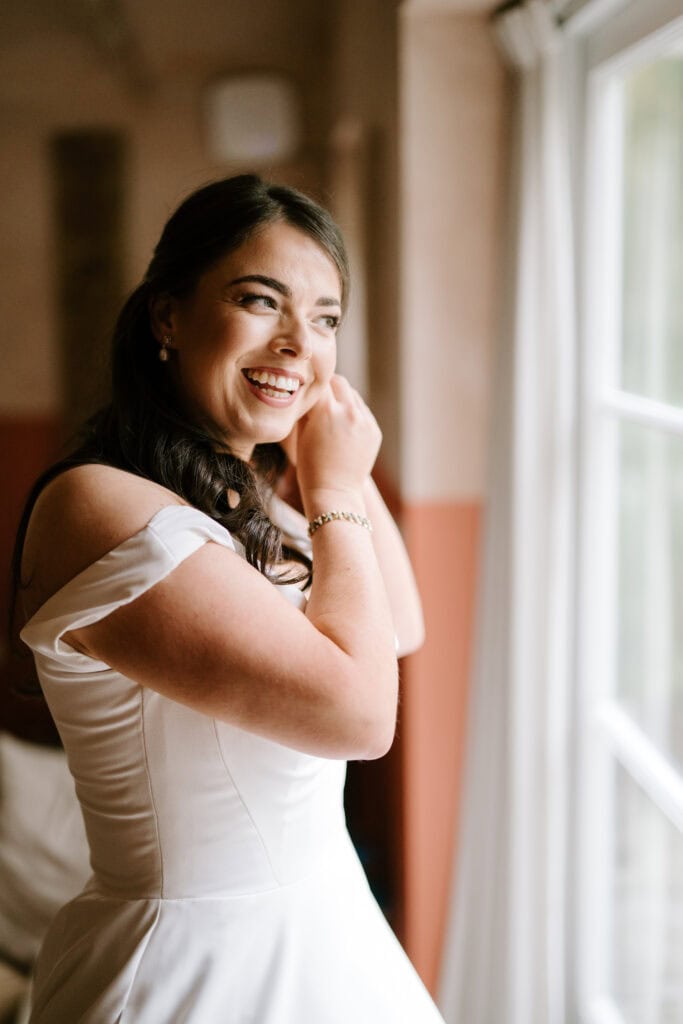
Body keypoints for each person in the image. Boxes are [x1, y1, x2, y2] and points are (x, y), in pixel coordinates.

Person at [13, 174, 444, 1023]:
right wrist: (336, 488)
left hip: (330, 933)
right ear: (167, 317)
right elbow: (361, 717)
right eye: (261, 301)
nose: (297, 342)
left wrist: (330, 474)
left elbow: (397, 626)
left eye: (324, 320)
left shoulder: (257, 492)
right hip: (198, 970)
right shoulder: (99, 505)